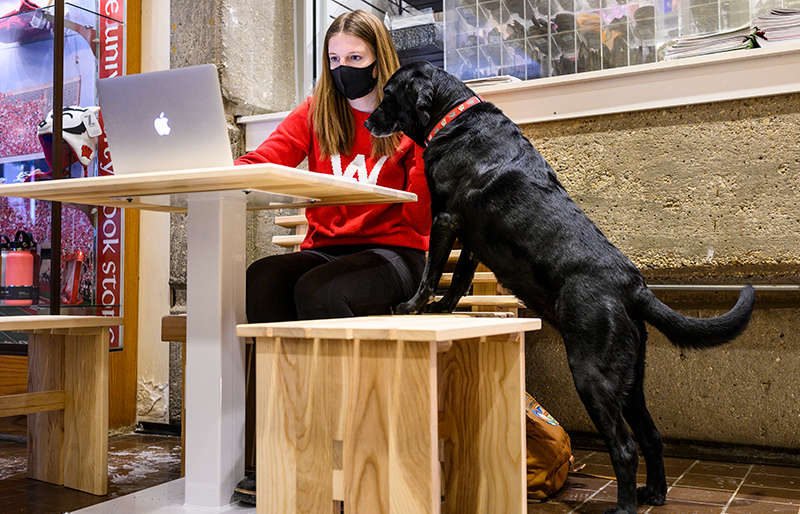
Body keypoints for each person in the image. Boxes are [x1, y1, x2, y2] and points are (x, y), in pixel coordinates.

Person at [231, 10, 431, 505]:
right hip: (326, 250)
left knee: (319, 291)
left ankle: (340, 448)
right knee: (264, 278)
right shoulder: (319, 109)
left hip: (397, 253)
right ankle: (281, 444)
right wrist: (220, 171)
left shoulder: (410, 115)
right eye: (335, 58)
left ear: (379, 59)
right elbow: (264, 160)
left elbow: (424, 214)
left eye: (356, 58)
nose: (344, 69)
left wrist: (430, 142)